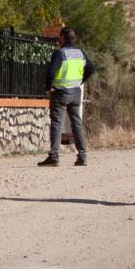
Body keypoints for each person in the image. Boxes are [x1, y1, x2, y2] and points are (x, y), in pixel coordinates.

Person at [39, 27, 95, 167]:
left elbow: (51, 72)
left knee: (57, 124)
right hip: (75, 92)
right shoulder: (80, 53)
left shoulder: (60, 53)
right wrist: (80, 81)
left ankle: (54, 157)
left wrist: (47, 88)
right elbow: (91, 68)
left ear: (62, 38)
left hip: (60, 93)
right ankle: (82, 156)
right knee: (77, 124)